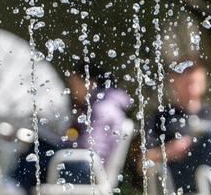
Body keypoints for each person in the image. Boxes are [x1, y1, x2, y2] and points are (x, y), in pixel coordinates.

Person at [8, 58, 133, 192]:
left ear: (89, 83)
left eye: (74, 85)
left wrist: (65, 143)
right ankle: (16, 186)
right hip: (85, 166)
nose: (73, 91)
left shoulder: (102, 108)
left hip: (86, 168)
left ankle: (13, 187)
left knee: (39, 151)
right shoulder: (103, 105)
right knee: (40, 149)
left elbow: (91, 148)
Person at [144, 60, 211, 194]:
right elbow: (142, 161)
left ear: (204, 81)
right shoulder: (163, 118)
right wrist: (169, 151)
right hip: (181, 180)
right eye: (187, 83)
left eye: (195, 82)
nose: (191, 87)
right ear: (174, 82)